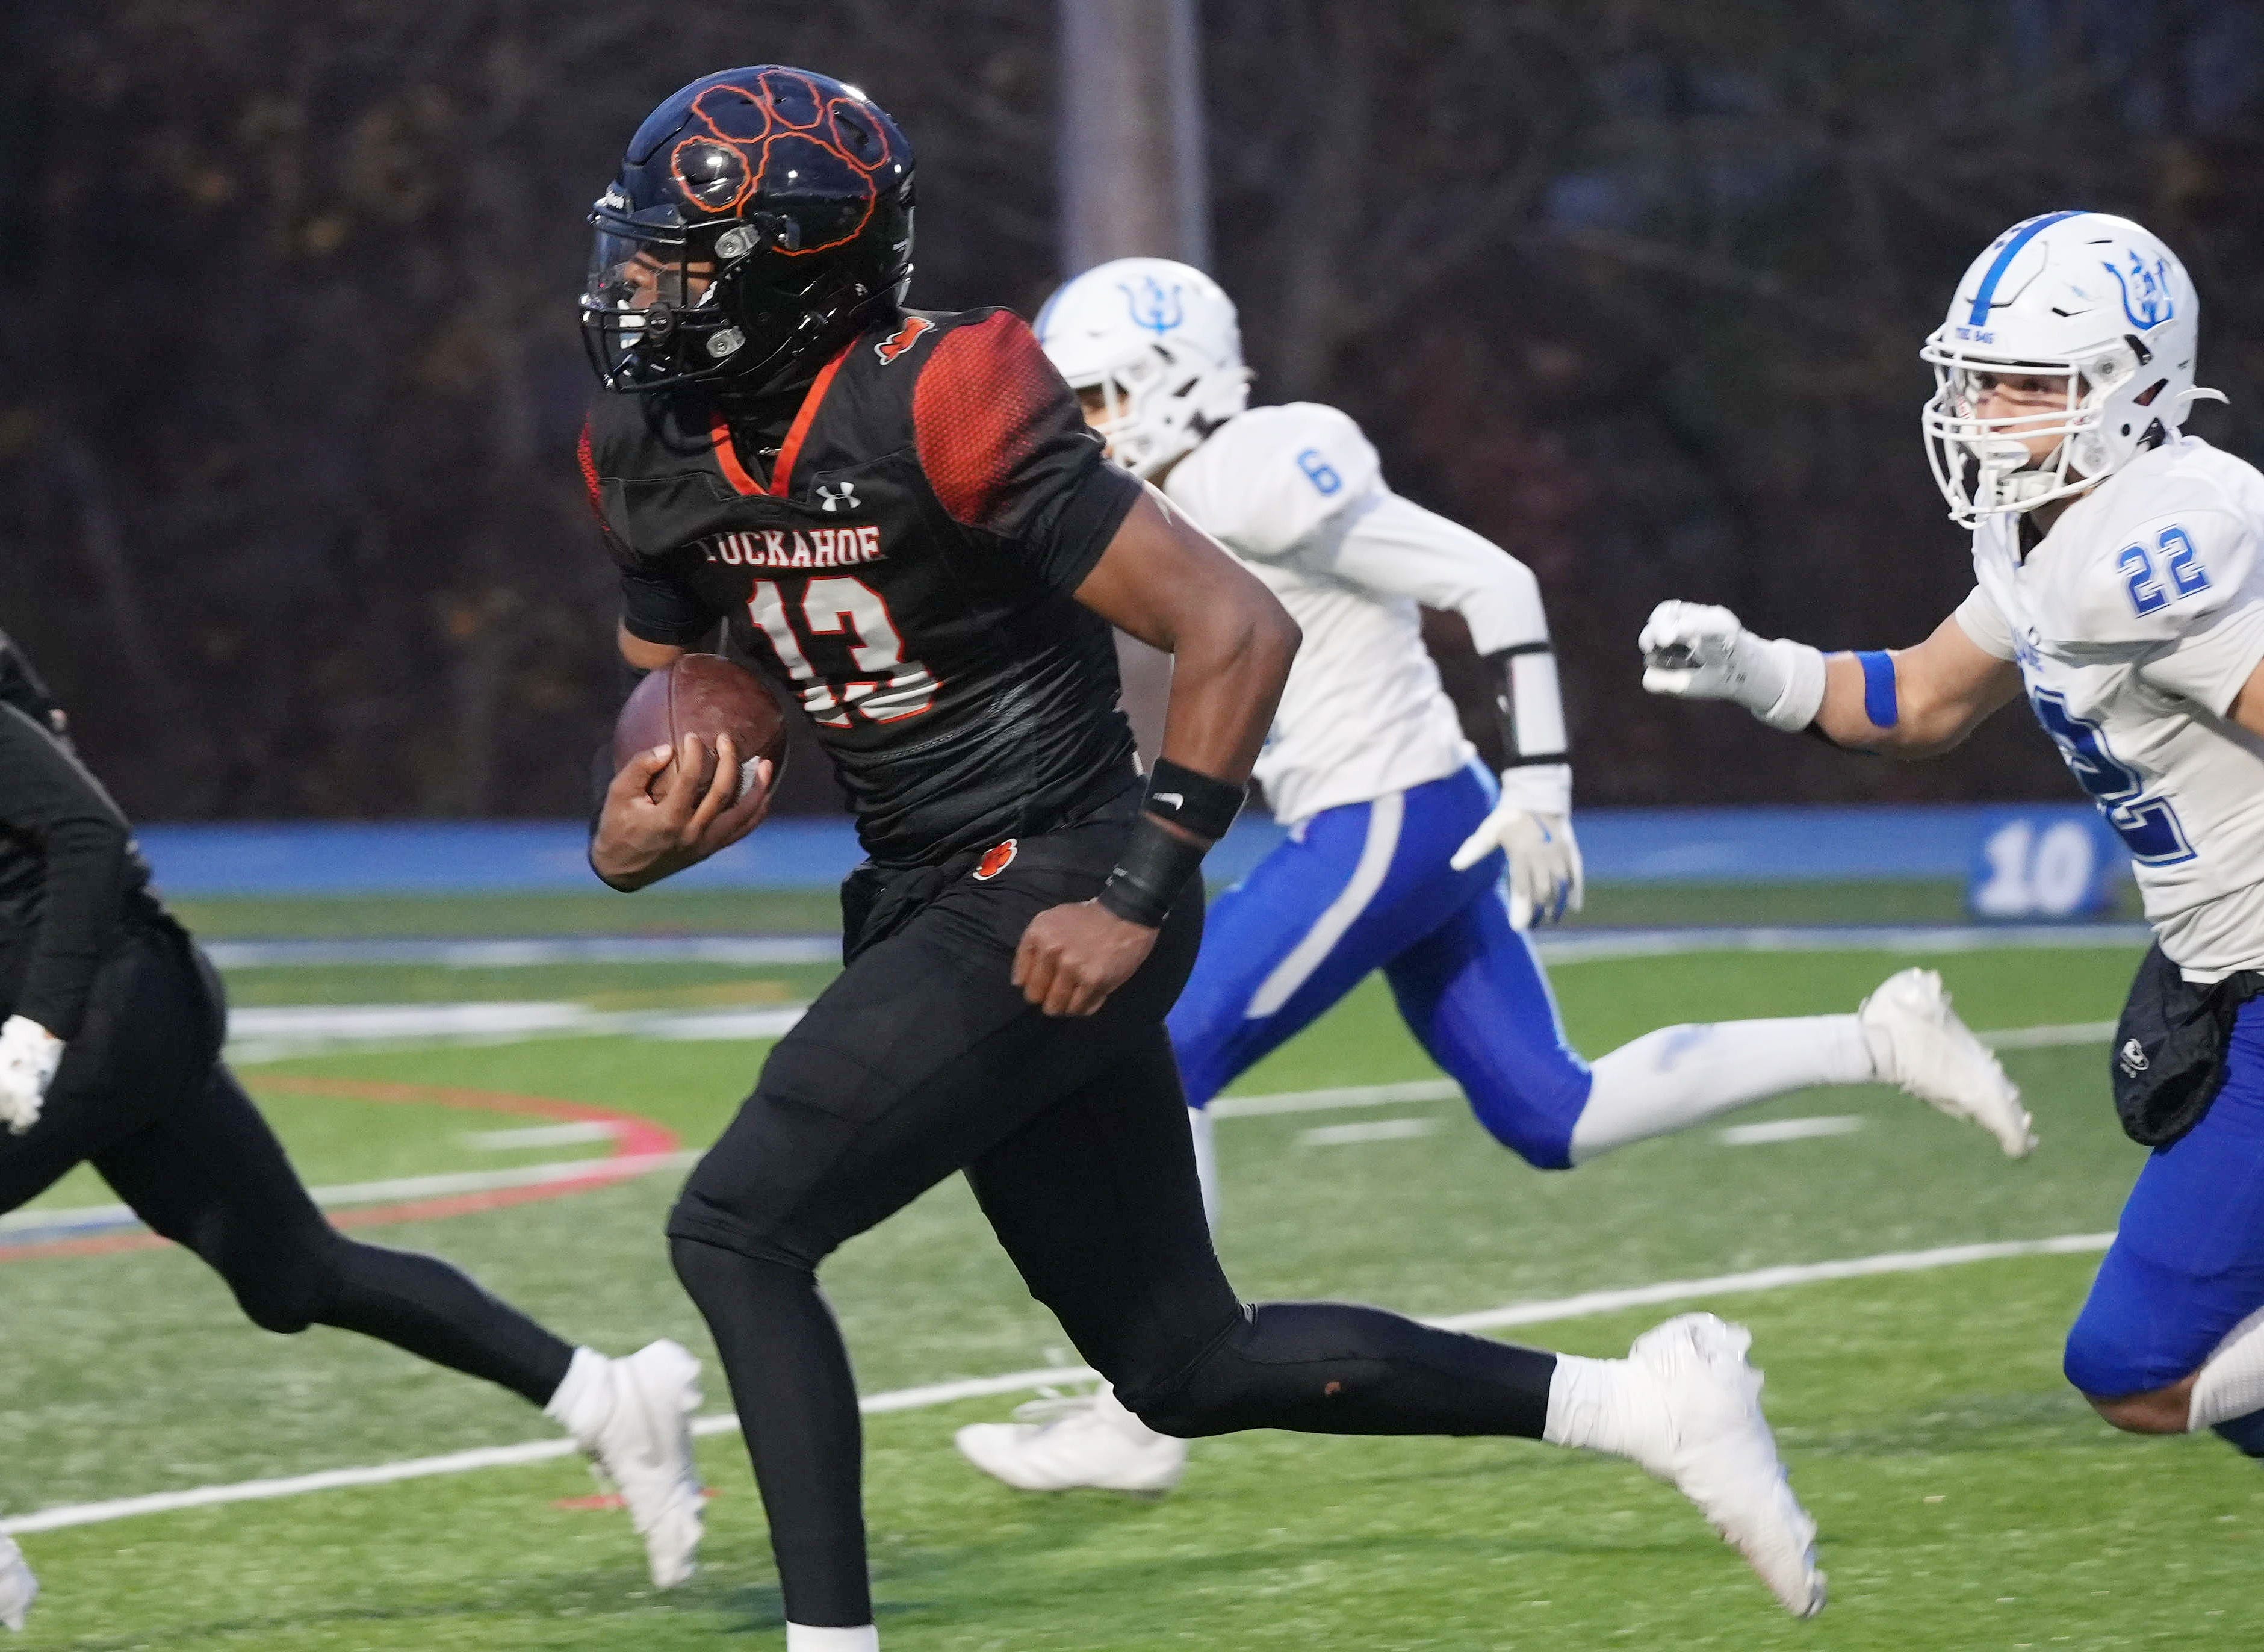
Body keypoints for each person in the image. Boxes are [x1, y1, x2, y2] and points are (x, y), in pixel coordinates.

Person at [578, 66, 1828, 1647]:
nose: (638, 288)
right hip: (920, 890)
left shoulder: (946, 391)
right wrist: (639, 820)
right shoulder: (642, 438)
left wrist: (1139, 887)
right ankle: (1650, 1406)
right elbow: (705, 676)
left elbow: (1235, 623)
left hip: (1060, 869)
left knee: (739, 1228)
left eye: (681, 259)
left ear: (796, 271)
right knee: (1182, 1364)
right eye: (641, 250)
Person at [947, 256, 2035, 1496]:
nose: (1082, 428)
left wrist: (1545, 780)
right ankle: (1878, 1040)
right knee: (1551, 1110)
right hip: (1409, 812)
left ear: (1172, 382)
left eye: (1095, 399)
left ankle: (1140, 1410)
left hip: (1387, 815)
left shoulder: (1249, 465)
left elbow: (1492, 581)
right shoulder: (1183, 494)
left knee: (1167, 1045)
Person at [1637, 209, 2264, 1459]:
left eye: (2032, 382)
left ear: (2135, 386)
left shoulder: (2158, 538)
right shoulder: (2052, 532)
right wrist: (1755, 669)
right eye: (1979, 378)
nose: (1990, 409)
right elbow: (1919, 700)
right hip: (2221, 973)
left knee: (2146, 1366)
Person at [0, 632, 706, 1632]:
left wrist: (40, 1023)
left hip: (107, 998)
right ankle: (604, 1397)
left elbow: (82, 830)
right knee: (293, 1277)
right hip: (112, 997)